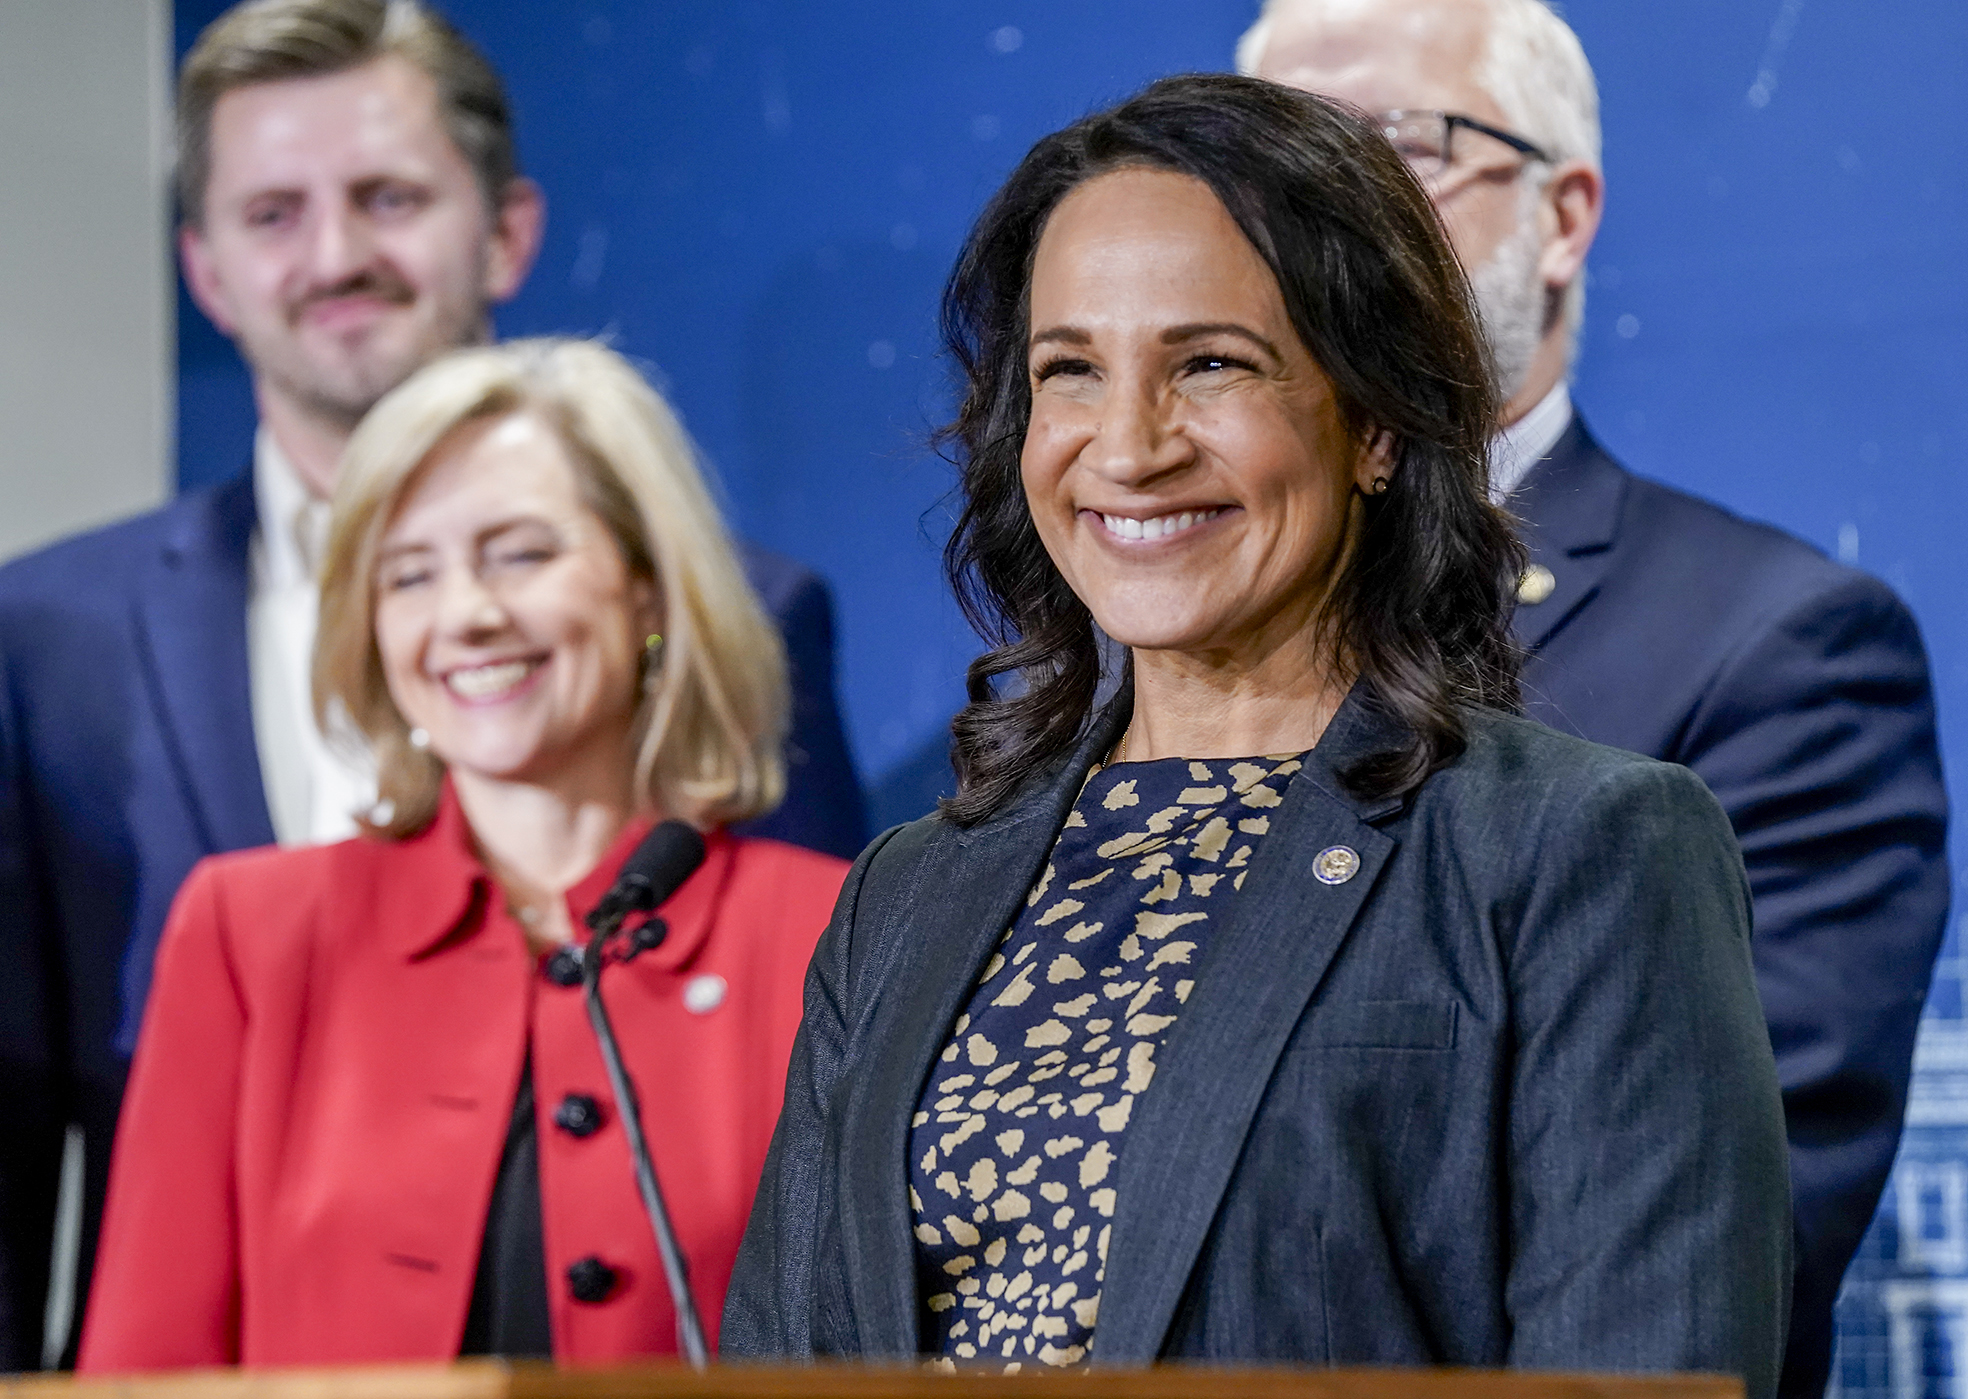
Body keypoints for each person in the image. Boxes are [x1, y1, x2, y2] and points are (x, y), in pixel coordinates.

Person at [722, 74, 1791, 1395]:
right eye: (1071, 371)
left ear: (1379, 423)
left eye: (1209, 364)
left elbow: (1645, 1360)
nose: (1127, 445)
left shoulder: (1581, 850)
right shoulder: (909, 890)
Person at [0, 0, 865, 1367]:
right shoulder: (57, 653)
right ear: (205, 269)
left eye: (388, 194)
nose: (336, 253)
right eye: (274, 210)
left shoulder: (834, 916)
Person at [1239, 3, 1951, 1392]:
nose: (1311, 231)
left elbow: (1719, 1233)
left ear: (1562, 217)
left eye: (1400, 151)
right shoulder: (1116, 665)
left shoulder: (1775, 650)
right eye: (1265, 179)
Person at [75, 338, 848, 1368]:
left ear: (650, 588)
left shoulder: (834, 935)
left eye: (521, 553)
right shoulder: (248, 935)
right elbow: (146, 1374)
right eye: (409, 574)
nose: (468, 615)